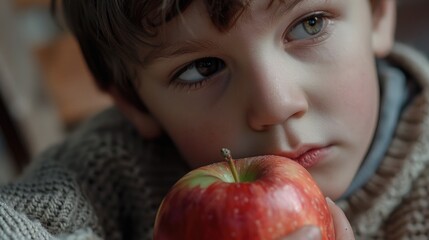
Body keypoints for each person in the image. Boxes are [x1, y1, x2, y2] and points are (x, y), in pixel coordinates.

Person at [1, 0, 429, 239]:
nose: (275, 104)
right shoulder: (111, 169)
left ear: (376, 11)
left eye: (309, 24)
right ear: (136, 104)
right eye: (203, 68)